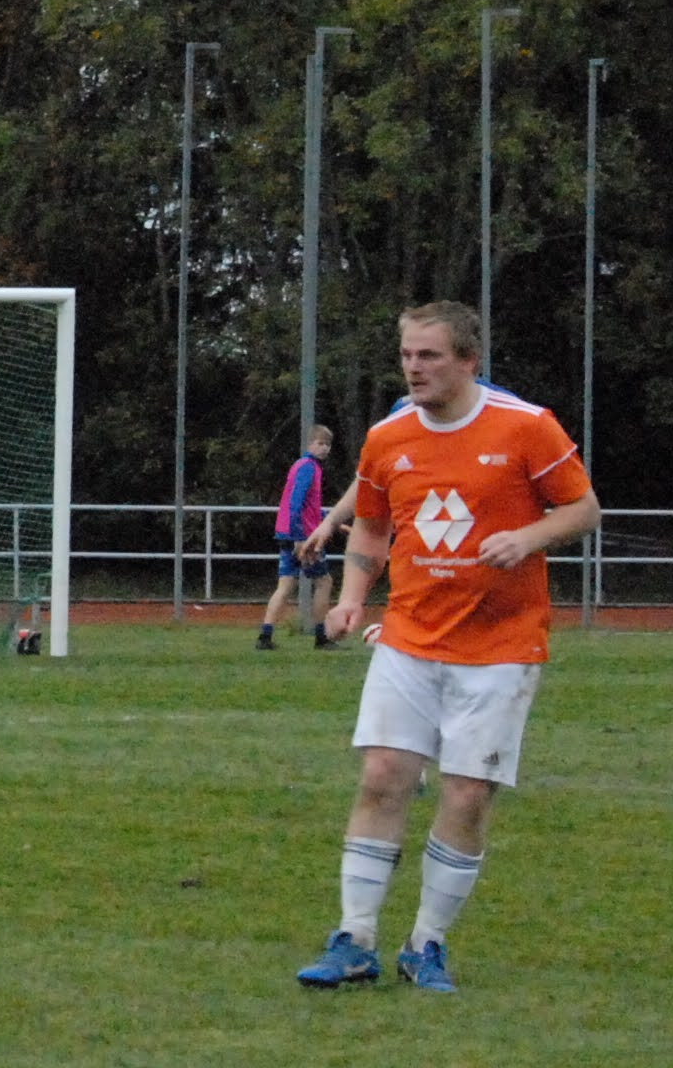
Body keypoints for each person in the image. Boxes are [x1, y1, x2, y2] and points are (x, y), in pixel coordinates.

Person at [298, 302, 600, 996]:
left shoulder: (527, 426)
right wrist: (351, 599)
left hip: (501, 646)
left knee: (465, 795)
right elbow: (372, 527)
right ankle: (355, 939)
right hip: (409, 636)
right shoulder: (388, 437)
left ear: (468, 360)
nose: (414, 367)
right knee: (383, 775)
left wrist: (528, 537)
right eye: (407, 355)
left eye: (429, 355)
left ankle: (426, 944)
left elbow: (583, 509)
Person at [256, 423, 350, 651]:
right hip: (303, 537)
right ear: (309, 444)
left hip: (287, 534)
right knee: (324, 582)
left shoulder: (301, 466)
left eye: (328, 444)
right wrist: (300, 537)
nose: (325, 448)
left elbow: (310, 508)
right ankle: (321, 638)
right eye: (320, 443)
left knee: (286, 585)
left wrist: (333, 523)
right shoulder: (309, 467)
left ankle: (264, 637)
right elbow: (295, 504)